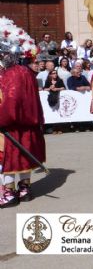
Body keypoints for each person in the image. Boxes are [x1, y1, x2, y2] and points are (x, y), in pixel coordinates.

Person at [0, 21, 46, 208]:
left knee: (8, 159)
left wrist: (2, 120)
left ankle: (9, 193)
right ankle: (25, 188)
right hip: (29, 123)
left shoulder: (9, 74)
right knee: (24, 158)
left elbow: (10, 102)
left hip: (11, 124)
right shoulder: (27, 72)